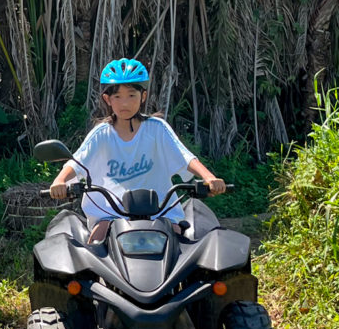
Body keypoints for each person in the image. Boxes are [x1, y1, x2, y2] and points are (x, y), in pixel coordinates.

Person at [48, 58, 225, 243]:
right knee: (95, 245)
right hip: (110, 216)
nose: (124, 103)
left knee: (183, 247)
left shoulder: (157, 129)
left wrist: (209, 178)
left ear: (143, 96)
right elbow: (77, 163)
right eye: (117, 97)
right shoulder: (101, 134)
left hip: (160, 214)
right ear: (107, 99)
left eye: (131, 95)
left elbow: (185, 157)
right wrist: (59, 181)